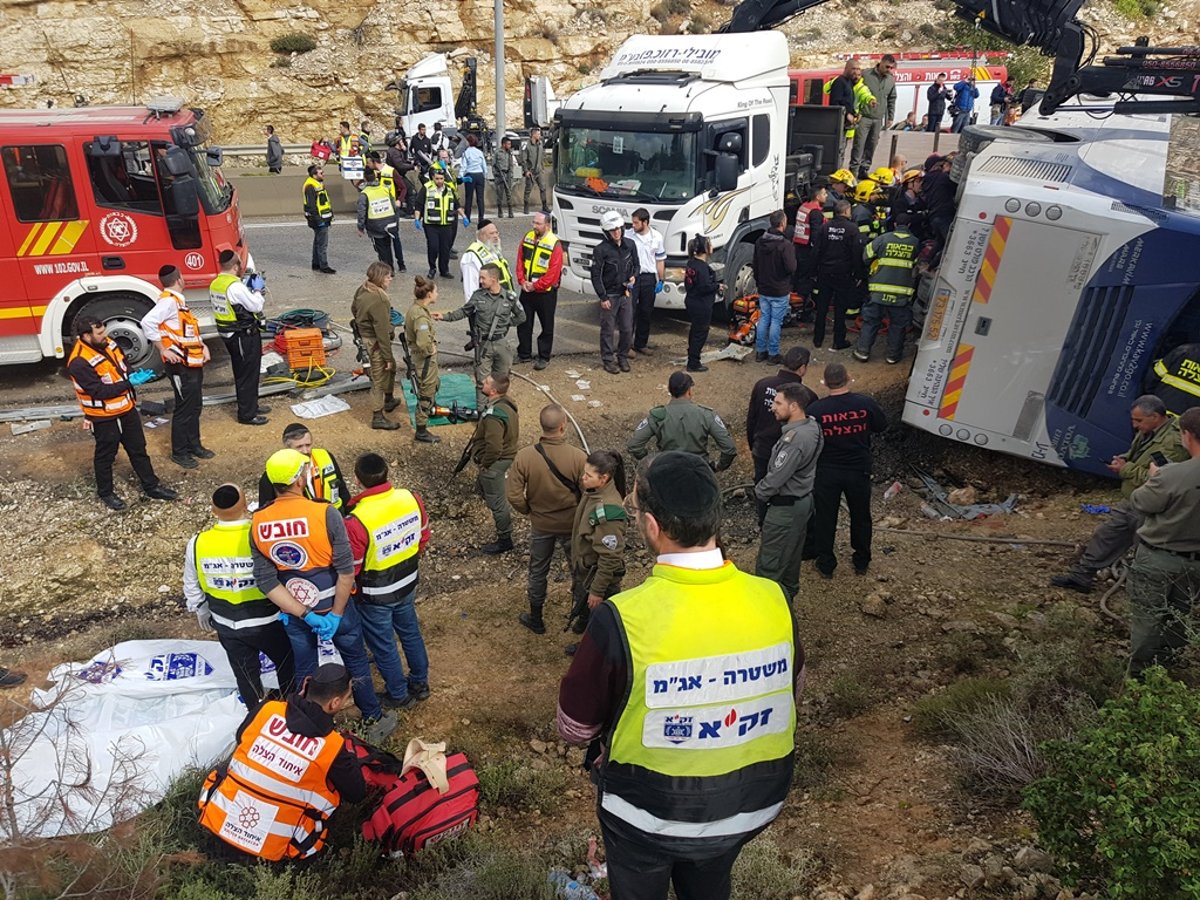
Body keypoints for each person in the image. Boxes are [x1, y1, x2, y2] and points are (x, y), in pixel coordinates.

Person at [557, 451, 801, 900]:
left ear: (652, 526)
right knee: (709, 880)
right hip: (750, 806)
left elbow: (575, 728)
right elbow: (788, 690)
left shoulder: (622, 618)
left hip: (646, 813)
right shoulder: (775, 600)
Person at [251, 449, 394, 742]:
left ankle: (305, 724)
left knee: (304, 666)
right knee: (355, 660)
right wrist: (337, 614)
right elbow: (345, 571)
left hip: (296, 612)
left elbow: (266, 581)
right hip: (335, 607)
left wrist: (304, 614)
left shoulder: (259, 522)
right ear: (300, 478)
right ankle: (373, 717)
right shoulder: (324, 512)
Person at [197, 663, 368, 862]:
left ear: (307, 686)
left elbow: (240, 737)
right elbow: (357, 793)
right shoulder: (333, 747)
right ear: (335, 703)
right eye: (347, 698)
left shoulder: (267, 710)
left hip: (219, 819)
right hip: (276, 847)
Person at [1051, 395, 1189, 593]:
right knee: (1107, 535)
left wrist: (1126, 469)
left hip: (1151, 507)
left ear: (1156, 417)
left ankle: (1145, 595)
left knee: (1144, 551)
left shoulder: (1172, 443)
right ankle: (1081, 576)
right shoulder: (1150, 431)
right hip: (1132, 499)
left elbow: (1160, 479)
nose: (1134, 425)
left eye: (1139, 421)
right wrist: (1123, 459)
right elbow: (1138, 454)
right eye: (1133, 420)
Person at [185, 483, 295, 704]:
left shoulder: (198, 543)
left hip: (226, 624)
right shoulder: (261, 535)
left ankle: (256, 715)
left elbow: (191, 583)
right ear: (246, 506)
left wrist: (200, 609)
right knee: (287, 665)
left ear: (213, 510)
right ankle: (289, 708)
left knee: (245, 675)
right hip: (269, 621)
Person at [345, 453, 431, 710]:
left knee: (383, 645)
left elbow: (353, 567)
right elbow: (423, 536)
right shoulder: (410, 498)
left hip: (375, 594)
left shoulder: (356, 520)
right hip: (407, 582)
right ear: (386, 474)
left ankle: (398, 694)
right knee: (410, 633)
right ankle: (420, 683)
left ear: (358, 481)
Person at [67, 316, 178, 510]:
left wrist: (133, 373)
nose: (105, 336)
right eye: (99, 333)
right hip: (104, 416)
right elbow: (98, 392)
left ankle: (151, 486)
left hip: (126, 409)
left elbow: (122, 364)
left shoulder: (108, 343)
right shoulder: (79, 362)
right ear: (86, 336)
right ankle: (106, 493)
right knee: (105, 456)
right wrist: (129, 383)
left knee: (138, 450)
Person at [1126, 407, 1200, 677]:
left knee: (1148, 620)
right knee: (1179, 619)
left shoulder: (1172, 475)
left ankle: (1137, 682)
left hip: (1159, 558)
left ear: (1187, 435)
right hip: (1195, 565)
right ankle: (1167, 677)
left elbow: (1141, 503)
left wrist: (1155, 478)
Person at [508, 404, 588, 634]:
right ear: (563, 426)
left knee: (538, 570)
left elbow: (513, 494)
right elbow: (589, 494)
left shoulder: (525, 456)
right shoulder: (578, 457)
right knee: (579, 570)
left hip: (541, 524)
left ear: (541, 425)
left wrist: (528, 510)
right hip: (571, 525)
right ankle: (582, 617)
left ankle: (536, 617)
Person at [807, 363, 887, 579]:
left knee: (825, 517)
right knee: (861, 516)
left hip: (827, 471)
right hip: (858, 470)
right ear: (849, 377)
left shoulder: (816, 410)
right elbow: (881, 425)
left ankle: (826, 564)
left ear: (824, 383)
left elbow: (810, 439)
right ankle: (862, 560)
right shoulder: (865, 403)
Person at [754, 383, 823, 603]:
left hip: (785, 508)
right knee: (791, 555)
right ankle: (787, 599)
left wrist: (759, 492)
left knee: (771, 562)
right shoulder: (812, 427)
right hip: (801, 502)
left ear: (794, 406)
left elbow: (776, 479)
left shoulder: (794, 440)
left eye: (778, 403)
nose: (772, 407)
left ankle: (767, 611)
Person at [142, 264, 211, 469]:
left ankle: (194, 445)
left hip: (192, 363)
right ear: (179, 279)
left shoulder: (179, 303)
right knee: (184, 408)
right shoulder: (169, 303)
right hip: (180, 366)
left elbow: (186, 332)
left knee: (195, 405)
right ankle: (179, 452)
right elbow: (147, 322)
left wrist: (202, 345)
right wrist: (163, 349)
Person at [564, 449, 627, 654]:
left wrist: (597, 591)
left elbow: (610, 557)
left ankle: (590, 649)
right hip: (585, 570)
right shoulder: (593, 491)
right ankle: (584, 620)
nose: (582, 478)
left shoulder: (608, 511)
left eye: (588, 475)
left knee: (600, 619)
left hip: (598, 577)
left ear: (604, 478)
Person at [436, 262, 525, 406]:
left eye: (483, 278)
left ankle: (498, 409)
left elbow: (522, 317)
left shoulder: (510, 297)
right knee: (482, 382)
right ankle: (482, 413)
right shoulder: (478, 296)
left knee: (501, 381)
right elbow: (464, 311)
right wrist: (444, 316)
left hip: (502, 344)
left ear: (494, 279)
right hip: (483, 345)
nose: (480, 281)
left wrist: (506, 323)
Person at [746, 347, 817, 523]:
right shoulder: (808, 396)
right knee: (788, 492)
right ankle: (785, 526)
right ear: (802, 368)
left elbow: (751, 419)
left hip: (762, 449)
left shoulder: (762, 384)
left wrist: (753, 445)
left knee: (762, 487)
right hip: (792, 454)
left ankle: (764, 523)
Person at [628, 371, 737, 471]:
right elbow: (729, 448)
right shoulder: (706, 414)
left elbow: (634, 445)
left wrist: (651, 462)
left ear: (669, 390)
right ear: (689, 391)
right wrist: (718, 467)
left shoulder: (658, 415)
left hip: (666, 471)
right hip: (699, 472)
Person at [209, 249, 268, 426]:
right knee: (247, 374)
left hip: (231, 335)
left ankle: (252, 405)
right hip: (243, 335)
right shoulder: (235, 287)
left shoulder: (217, 283)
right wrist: (257, 290)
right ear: (236, 266)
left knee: (245, 371)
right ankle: (247, 414)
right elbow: (256, 306)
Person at [854, 212, 921, 364]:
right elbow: (918, 264)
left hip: (879, 290)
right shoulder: (915, 243)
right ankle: (892, 356)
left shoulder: (883, 238)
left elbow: (866, 255)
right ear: (909, 226)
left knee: (871, 321)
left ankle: (862, 352)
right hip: (901, 294)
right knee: (898, 325)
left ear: (895, 224)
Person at [464, 374, 519, 554]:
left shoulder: (494, 416)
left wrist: (485, 463)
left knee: (498, 503)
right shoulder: (506, 404)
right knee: (487, 486)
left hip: (495, 463)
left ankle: (505, 540)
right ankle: (484, 492)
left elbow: (494, 447)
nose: (482, 383)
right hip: (503, 458)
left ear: (494, 390)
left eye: (486, 382)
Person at [351, 261, 402, 431]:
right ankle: (378, 416)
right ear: (381, 278)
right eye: (388, 277)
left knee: (391, 368)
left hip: (365, 338)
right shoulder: (380, 298)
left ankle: (389, 400)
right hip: (375, 343)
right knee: (378, 378)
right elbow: (382, 331)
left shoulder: (363, 288)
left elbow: (353, 308)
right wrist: (387, 357)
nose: (391, 280)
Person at [257, 423, 351, 513]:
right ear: (287, 449)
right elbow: (266, 509)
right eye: (299, 447)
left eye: (308, 445)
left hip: (333, 515)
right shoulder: (275, 473)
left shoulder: (325, 457)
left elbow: (342, 488)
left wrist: (350, 514)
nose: (305, 451)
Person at [591, 210, 639, 375]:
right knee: (608, 329)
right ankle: (608, 360)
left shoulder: (630, 245)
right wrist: (603, 297)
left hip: (625, 293)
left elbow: (636, 265)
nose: (617, 232)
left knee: (626, 328)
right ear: (606, 232)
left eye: (619, 228)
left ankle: (623, 356)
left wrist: (634, 276)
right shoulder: (600, 250)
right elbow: (595, 275)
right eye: (613, 230)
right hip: (609, 295)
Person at [516, 210, 564, 370]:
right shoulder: (527, 237)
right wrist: (522, 281)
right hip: (527, 290)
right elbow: (520, 261)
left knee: (547, 326)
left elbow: (553, 272)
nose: (534, 226)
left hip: (545, 293)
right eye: (534, 223)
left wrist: (536, 285)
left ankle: (544, 356)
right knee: (523, 322)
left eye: (538, 223)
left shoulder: (555, 244)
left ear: (548, 225)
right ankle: (524, 354)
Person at [813, 200, 859, 350]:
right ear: (846, 212)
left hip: (824, 272)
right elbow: (856, 254)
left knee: (822, 306)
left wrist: (816, 269)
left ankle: (817, 339)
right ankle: (838, 340)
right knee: (840, 308)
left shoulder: (824, 228)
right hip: (843, 273)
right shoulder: (852, 229)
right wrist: (858, 273)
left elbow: (816, 250)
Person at [752, 210, 797, 365]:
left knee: (764, 318)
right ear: (782, 224)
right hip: (780, 289)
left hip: (764, 288)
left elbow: (755, 264)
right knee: (776, 322)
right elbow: (791, 267)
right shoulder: (785, 245)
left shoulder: (759, 241)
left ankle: (760, 351)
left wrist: (759, 281)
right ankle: (773, 354)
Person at [625, 208, 667, 357]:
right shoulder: (628, 236)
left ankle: (641, 344)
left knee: (646, 312)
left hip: (649, 278)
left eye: (636, 223)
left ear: (645, 222)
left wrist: (661, 279)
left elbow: (660, 259)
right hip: (633, 278)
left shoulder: (656, 237)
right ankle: (626, 345)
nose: (633, 225)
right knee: (629, 312)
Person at [406, 276, 442, 444]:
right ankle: (421, 429)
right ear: (428, 294)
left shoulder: (417, 309)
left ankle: (428, 411)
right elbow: (422, 342)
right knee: (426, 392)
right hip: (425, 361)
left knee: (433, 385)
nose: (437, 294)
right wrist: (430, 349)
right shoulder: (420, 316)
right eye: (435, 291)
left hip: (421, 360)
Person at [850, 55, 896, 179]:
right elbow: (854, 89)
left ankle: (864, 169)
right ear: (880, 63)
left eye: (891, 68)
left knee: (872, 144)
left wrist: (890, 117)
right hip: (864, 116)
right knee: (859, 145)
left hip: (878, 118)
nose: (889, 69)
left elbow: (892, 98)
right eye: (887, 66)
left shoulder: (891, 80)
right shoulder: (866, 74)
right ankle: (853, 171)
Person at [416, 168, 464, 280]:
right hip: (431, 224)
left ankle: (444, 270)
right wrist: (417, 219)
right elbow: (419, 204)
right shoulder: (427, 188)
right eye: (437, 178)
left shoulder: (449, 189)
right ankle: (432, 268)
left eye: (441, 178)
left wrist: (464, 217)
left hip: (446, 224)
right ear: (433, 178)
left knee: (445, 249)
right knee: (433, 247)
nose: (439, 181)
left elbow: (456, 205)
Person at [357, 165, 406, 274]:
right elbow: (393, 205)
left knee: (381, 250)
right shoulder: (385, 188)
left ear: (365, 178)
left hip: (375, 226)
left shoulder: (365, 193)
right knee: (387, 246)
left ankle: (387, 270)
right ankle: (391, 268)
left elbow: (361, 212)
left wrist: (360, 227)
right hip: (389, 223)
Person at [683, 235, 717, 373]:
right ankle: (694, 362)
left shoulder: (691, 263)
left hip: (691, 301)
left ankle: (692, 355)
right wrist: (717, 286)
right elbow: (704, 287)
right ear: (705, 249)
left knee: (695, 330)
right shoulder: (702, 268)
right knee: (700, 332)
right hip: (701, 304)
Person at [461, 219, 514, 303]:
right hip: (488, 309)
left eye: (496, 233)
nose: (496, 236)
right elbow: (470, 290)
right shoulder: (472, 256)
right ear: (480, 235)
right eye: (491, 233)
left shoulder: (493, 249)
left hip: (503, 306)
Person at [792, 185, 827, 298]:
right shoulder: (815, 212)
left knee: (798, 275)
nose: (826, 196)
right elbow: (815, 235)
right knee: (806, 278)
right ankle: (803, 303)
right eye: (824, 194)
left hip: (798, 246)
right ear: (817, 197)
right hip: (807, 250)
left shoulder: (804, 206)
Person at [1148, 343, 1200, 415]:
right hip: (1186, 422)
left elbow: (1152, 378)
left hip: (1159, 415)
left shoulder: (1183, 351)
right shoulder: (1183, 350)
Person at [303, 164, 335, 274]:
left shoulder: (317, 183)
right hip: (318, 219)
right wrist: (319, 220)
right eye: (321, 173)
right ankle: (324, 266)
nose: (323, 174)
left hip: (322, 218)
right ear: (314, 175)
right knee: (322, 243)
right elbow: (311, 206)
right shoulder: (311, 186)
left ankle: (316, 264)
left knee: (318, 241)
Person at [459, 133, 488, 220]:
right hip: (479, 175)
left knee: (469, 197)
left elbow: (463, 166)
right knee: (480, 198)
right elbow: (484, 165)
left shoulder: (466, 153)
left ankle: (468, 216)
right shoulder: (480, 152)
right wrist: (485, 175)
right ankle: (481, 217)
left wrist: (460, 176)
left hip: (470, 175)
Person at [520, 127, 549, 214]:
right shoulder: (526, 145)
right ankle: (526, 207)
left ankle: (544, 206)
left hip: (539, 170)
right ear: (533, 135)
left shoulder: (540, 144)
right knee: (528, 190)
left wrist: (542, 167)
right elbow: (523, 160)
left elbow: (542, 156)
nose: (540, 136)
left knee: (543, 188)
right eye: (538, 134)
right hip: (531, 171)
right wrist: (526, 171)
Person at [491, 134, 518, 218]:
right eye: (508, 144)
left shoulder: (510, 153)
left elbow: (511, 165)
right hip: (500, 176)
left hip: (508, 175)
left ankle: (510, 211)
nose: (509, 146)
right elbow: (494, 165)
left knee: (509, 194)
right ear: (503, 144)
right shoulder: (497, 153)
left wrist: (511, 175)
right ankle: (500, 211)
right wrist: (497, 175)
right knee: (500, 195)